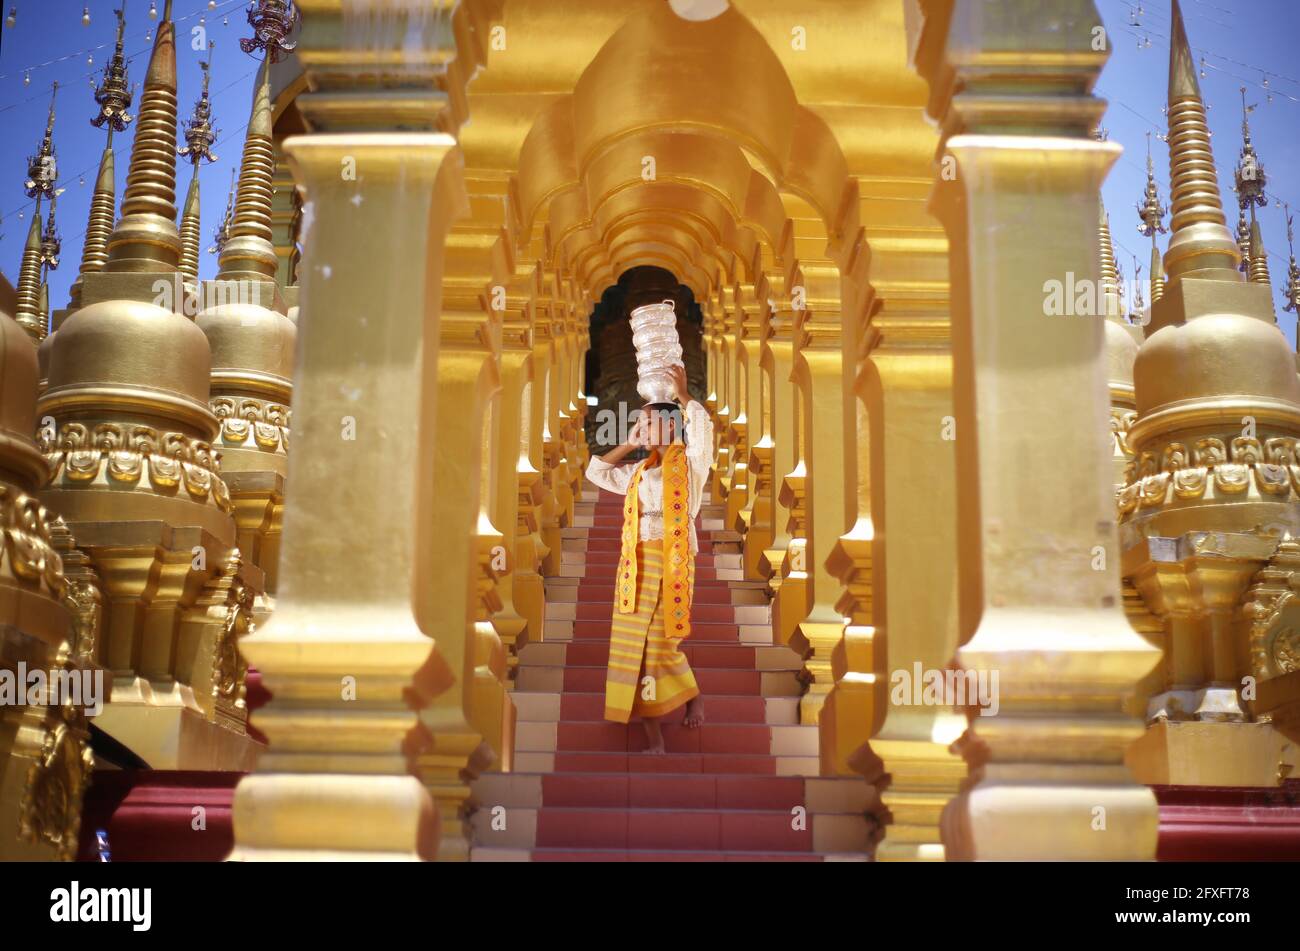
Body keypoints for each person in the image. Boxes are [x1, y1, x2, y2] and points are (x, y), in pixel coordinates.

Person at [585, 364, 714, 754]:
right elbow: (596, 472)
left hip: (673, 558)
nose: (644, 430)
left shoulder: (691, 465)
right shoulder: (638, 473)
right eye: (640, 424)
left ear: (672, 427)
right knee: (632, 648)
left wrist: (684, 395)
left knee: (659, 644)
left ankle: (692, 695)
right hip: (637, 564)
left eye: (649, 424)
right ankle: (653, 737)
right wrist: (628, 443)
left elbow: (704, 432)